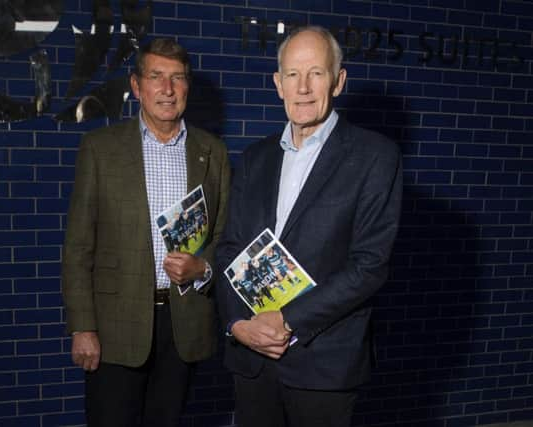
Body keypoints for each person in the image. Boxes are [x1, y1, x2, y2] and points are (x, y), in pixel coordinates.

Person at [216, 26, 402, 427]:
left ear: (338, 81)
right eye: (292, 74)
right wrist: (237, 323)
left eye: (316, 73)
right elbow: (230, 248)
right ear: (277, 84)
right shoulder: (254, 158)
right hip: (252, 359)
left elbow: (369, 265)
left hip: (323, 363)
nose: (303, 87)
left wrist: (286, 321)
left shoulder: (375, 156)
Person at [62, 37, 230, 427]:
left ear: (188, 86)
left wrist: (203, 268)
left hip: (182, 324)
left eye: (178, 78)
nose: (167, 89)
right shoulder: (100, 149)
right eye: (156, 76)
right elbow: (78, 247)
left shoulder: (213, 151)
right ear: (137, 86)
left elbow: (225, 236)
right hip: (114, 327)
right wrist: (83, 326)